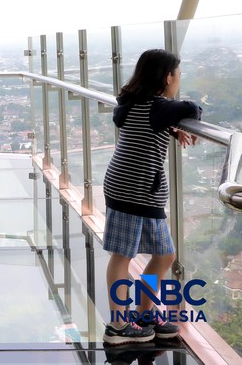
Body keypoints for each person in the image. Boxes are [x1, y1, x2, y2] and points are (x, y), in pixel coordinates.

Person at [102, 49, 201, 345]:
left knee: (165, 254)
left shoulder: (132, 103)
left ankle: (144, 315)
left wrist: (170, 129)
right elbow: (193, 109)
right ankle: (118, 326)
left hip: (129, 186)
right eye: (178, 75)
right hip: (136, 191)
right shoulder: (159, 107)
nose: (178, 82)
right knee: (123, 255)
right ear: (168, 77)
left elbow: (143, 126)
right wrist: (173, 121)